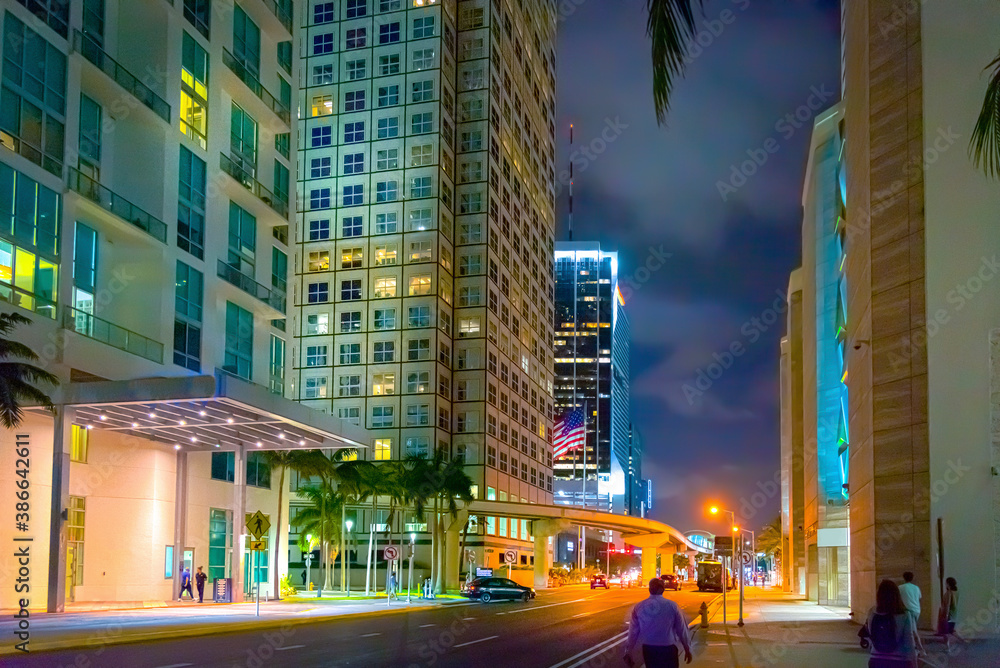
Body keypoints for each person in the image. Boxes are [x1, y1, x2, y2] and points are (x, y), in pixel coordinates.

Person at [623, 578, 693, 668]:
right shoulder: (672, 606)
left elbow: (633, 632)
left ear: (649, 589)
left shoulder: (639, 607)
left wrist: (628, 651)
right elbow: (682, 630)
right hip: (668, 648)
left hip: (649, 649)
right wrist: (687, 649)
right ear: (663, 589)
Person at [864, 579, 917, 668]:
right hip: (899, 660)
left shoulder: (872, 613)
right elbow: (909, 641)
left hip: (876, 659)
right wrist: (914, 662)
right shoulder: (904, 615)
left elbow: (871, 635)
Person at [897, 572, 924, 654]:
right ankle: (915, 647)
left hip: (908, 611)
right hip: (917, 610)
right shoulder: (916, 588)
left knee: (913, 631)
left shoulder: (900, 588)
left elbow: (898, 600)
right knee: (912, 629)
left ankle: (921, 650)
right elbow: (919, 598)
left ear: (903, 578)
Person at [939, 577, 964, 650]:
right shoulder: (956, 592)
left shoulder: (948, 593)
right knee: (952, 631)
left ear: (948, 584)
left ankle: (947, 647)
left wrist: (945, 616)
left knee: (945, 632)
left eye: (946, 583)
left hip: (948, 615)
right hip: (954, 614)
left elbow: (947, 605)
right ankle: (962, 640)